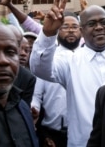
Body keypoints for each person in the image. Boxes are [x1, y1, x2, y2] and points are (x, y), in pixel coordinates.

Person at [30, 0, 105, 147]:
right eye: (91, 24)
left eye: (103, 22)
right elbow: (39, 68)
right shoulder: (70, 61)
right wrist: (48, 33)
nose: (98, 27)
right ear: (82, 31)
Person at [31, 11, 82, 147]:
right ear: (58, 29)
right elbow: (37, 95)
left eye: (75, 26)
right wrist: (34, 108)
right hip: (52, 135)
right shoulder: (48, 59)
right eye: (65, 26)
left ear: (81, 30)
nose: (70, 30)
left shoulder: (88, 58)